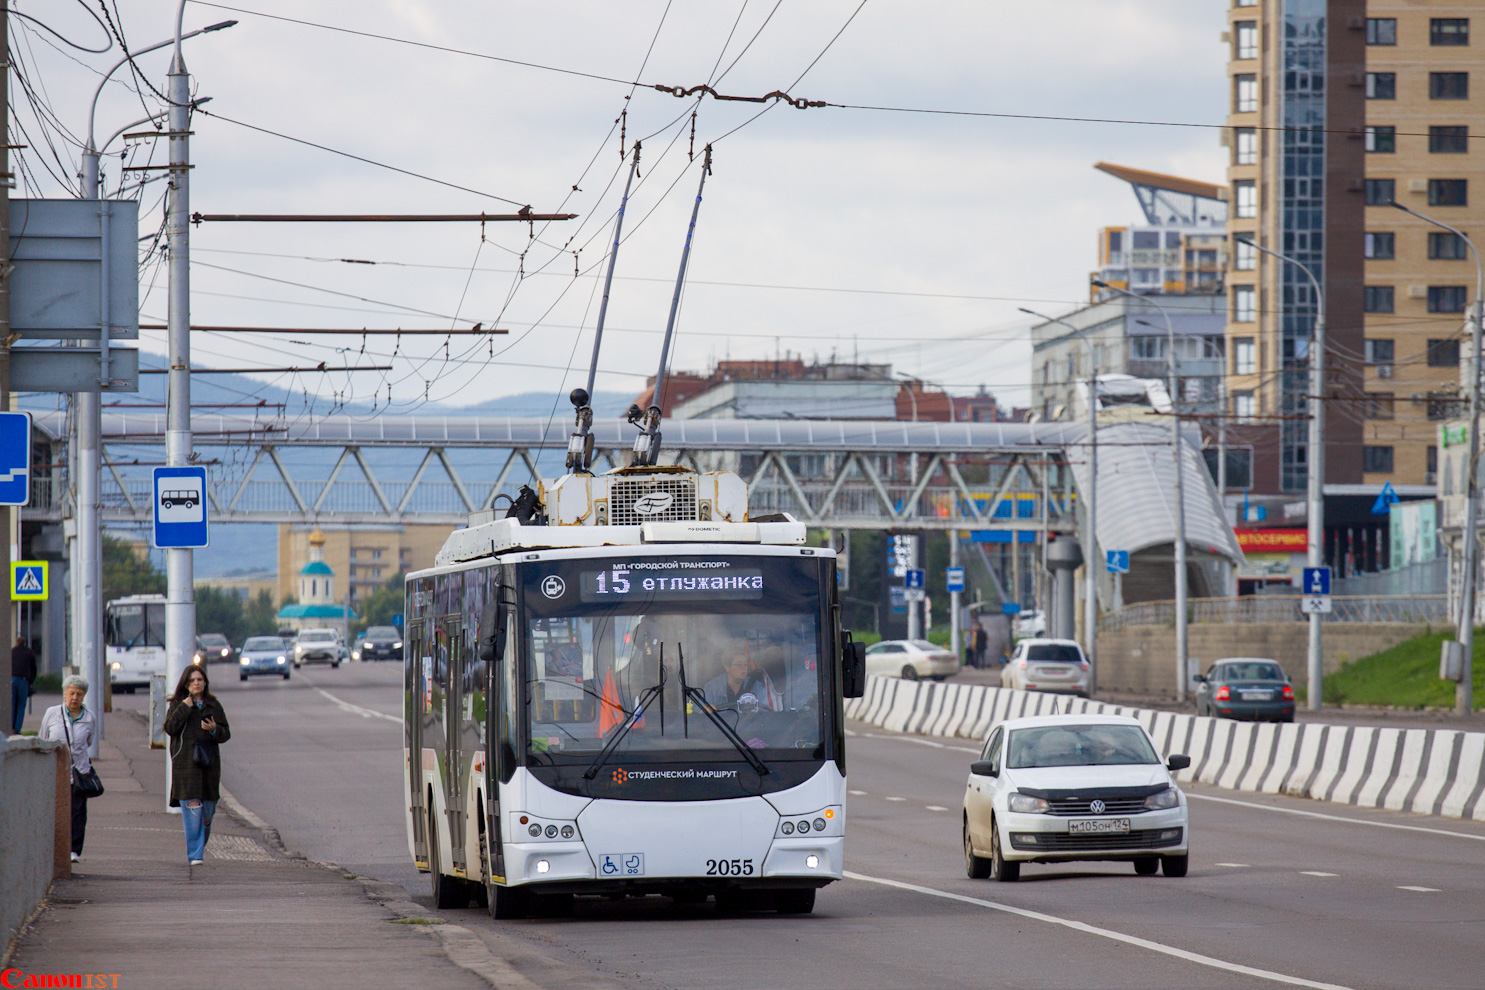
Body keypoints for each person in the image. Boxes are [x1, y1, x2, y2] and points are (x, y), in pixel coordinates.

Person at [165, 665, 232, 866]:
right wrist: (185, 708)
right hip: (186, 764)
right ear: (186, 683)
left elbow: (226, 733)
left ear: (205, 683)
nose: (196, 683)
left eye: (200, 680)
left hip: (209, 765)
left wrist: (214, 729)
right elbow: (170, 728)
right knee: (193, 809)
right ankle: (195, 855)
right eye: (192, 680)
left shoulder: (214, 705)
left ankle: (199, 845)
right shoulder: (178, 704)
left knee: (207, 813)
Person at [38, 675, 97, 862]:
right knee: (54, 810)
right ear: (64, 694)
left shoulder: (89, 717)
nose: (74, 698)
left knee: (78, 812)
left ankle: (74, 851)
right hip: (56, 770)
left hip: (79, 771)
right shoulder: (52, 713)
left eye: (79, 694)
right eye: (71, 693)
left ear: (83, 696)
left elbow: (89, 741)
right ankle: (53, 847)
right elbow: (43, 737)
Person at [703, 647, 779, 712]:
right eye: (739, 665)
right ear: (727, 667)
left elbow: (766, 717)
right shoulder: (711, 688)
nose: (744, 668)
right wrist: (706, 710)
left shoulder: (758, 688)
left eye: (745, 664)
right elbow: (698, 715)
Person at [11, 636, 37, 734]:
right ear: (25, 643)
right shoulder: (29, 652)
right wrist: (31, 681)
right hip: (23, 681)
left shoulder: (11, 652)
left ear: (16, 643)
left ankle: (10, 728)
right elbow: (34, 668)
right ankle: (17, 729)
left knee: (12, 704)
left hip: (11, 679)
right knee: (21, 705)